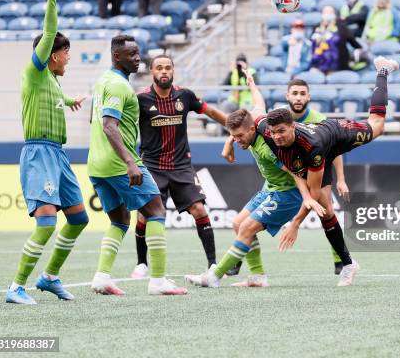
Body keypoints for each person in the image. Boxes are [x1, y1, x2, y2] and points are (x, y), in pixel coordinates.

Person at [188, 57, 400, 288]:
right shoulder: (263, 127)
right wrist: (251, 86)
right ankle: (347, 264)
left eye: (281, 132)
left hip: (332, 137)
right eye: (274, 132)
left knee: (377, 126)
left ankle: (383, 70)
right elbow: (256, 107)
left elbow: (308, 186)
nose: (276, 136)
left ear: (292, 127)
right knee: (323, 212)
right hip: (291, 172)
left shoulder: (310, 149)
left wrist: (296, 223)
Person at [6, 0, 88, 305]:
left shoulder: (52, 81)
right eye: (66, 52)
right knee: (45, 224)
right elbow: (49, 30)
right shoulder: (35, 69)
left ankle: (50, 277)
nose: (69, 57)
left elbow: (55, 96)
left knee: (79, 218)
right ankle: (16, 287)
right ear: (52, 54)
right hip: (39, 154)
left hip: (58, 154)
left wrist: (71, 100)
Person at [188, 72, 313, 287]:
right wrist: (252, 85)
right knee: (238, 224)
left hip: (287, 193)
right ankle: (257, 277)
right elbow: (259, 103)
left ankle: (214, 276)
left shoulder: (268, 150)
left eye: (239, 137)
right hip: (271, 188)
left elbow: (296, 173)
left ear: (253, 130)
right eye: (233, 136)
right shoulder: (254, 121)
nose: (237, 140)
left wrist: (306, 200)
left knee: (246, 228)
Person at [88, 35, 187, 296]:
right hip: (119, 162)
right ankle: (157, 281)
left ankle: (101, 276)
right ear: (116, 56)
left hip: (97, 164)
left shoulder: (102, 81)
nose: (137, 58)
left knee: (120, 219)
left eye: (138, 52)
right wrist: (130, 162)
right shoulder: (120, 87)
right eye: (131, 54)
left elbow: (96, 121)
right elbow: (109, 126)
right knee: (155, 209)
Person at [225, 78, 350, 277]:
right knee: (240, 224)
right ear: (287, 96)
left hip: (315, 169)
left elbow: (335, 151)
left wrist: (341, 179)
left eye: (302, 93)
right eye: (295, 93)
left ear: (308, 96)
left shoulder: (318, 118)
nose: (298, 97)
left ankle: (341, 261)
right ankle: (242, 261)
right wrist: (229, 142)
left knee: (326, 211)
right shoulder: (276, 118)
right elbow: (250, 120)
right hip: (285, 176)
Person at [129, 55, 227, 279]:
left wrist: (233, 126)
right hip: (152, 167)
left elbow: (210, 112)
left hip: (181, 166)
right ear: (152, 72)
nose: (164, 72)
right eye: (159, 68)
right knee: (144, 216)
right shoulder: (140, 99)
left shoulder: (185, 95)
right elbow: (123, 123)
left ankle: (212, 264)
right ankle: (142, 263)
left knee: (200, 210)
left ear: (173, 71)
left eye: (168, 68)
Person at [311, 6, 362, 73]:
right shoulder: (317, 27)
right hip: (320, 62)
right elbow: (312, 44)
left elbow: (353, 42)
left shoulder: (341, 26)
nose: (328, 14)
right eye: (326, 12)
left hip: (338, 63)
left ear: (334, 14)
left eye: (330, 12)